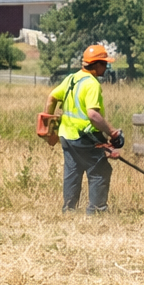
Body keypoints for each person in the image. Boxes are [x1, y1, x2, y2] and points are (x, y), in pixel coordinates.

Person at [43, 43, 122, 214]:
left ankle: (69, 210)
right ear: (97, 65)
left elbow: (51, 98)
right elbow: (93, 115)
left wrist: (50, 129)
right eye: (105, 63)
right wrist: (112, 132)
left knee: (73, 172)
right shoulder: (92, 84)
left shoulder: (72, 78)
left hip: (66, 136)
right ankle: (96, 210)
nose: (106, 67)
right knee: (100, 170)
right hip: (85, 137)